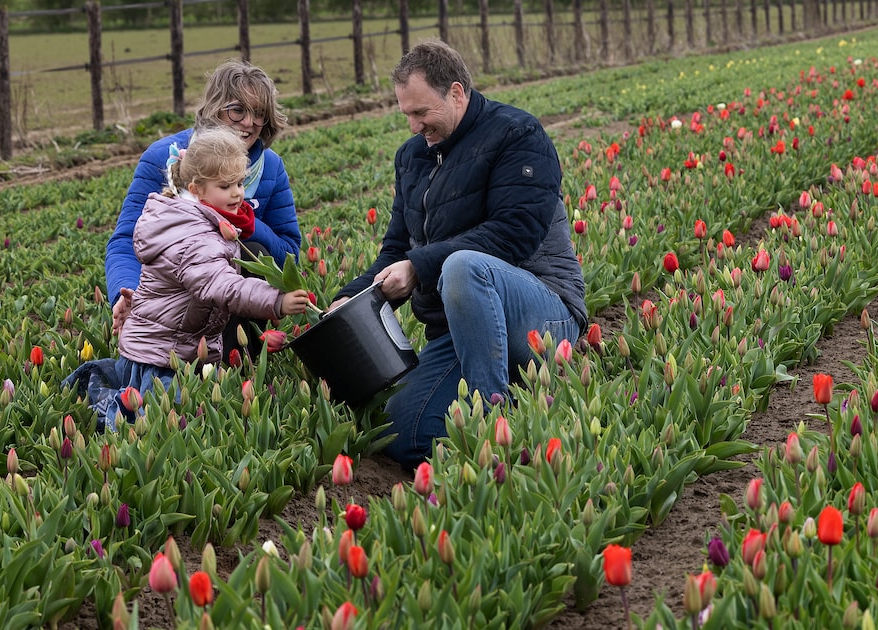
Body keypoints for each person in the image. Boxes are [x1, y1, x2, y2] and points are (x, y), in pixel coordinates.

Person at [331, 41, 586, 468]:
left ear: (455, 92)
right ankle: (510, 397)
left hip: (542, 313)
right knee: (402, 435)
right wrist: (350, 299)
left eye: (421, 113)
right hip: (459, 328)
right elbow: (397, 248)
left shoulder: (518, 135)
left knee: (463, 267)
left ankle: (494, 426)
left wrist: (419, 267)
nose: (414, 126)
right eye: (406, 114)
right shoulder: (412, 157)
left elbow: (514, 235)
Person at [66, 128, 311, 432]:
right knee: (165, 423)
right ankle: (112, 412)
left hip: (169, 344)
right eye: (226, 186)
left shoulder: (193, 218)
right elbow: (223, 286)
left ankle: (116, 384)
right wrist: (277, 300)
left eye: (239, 183)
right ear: (196, 189)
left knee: (189, 410)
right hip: (162, 355)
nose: (237, 193)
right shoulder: (195, 236)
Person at [106, 59, 301, 364]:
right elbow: (126, 242)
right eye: (237, 110)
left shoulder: (270, 168)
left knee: (251, 247)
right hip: (171, 300)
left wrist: (244, 222)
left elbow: (288, 254)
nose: (248, 123)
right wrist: (125, 292)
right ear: (213, 109)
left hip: (232, 300)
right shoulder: (163, 156)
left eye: (259, 114)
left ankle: (237, 359)